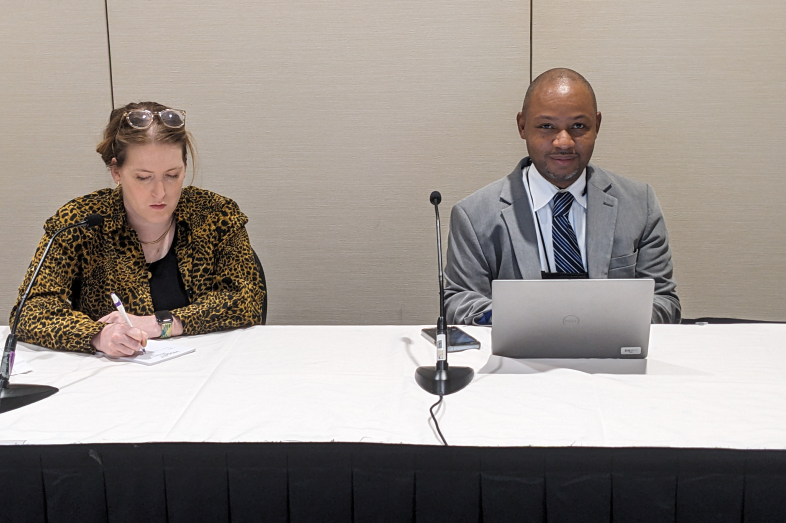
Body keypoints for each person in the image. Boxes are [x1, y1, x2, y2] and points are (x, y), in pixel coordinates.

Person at [10, 101, 266, 356]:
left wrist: (162, 323)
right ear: (116, 172)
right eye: (143, 177)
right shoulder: (79, 222)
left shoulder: (215, 214)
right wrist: (98, 336)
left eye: (172, 175)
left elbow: (248, 299)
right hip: (112, 378)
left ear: (184, 168)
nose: (160, 192)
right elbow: (30, 311)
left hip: (208, 368)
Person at [444, 68, 680, 325]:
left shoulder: (639, 204)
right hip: (520, 359)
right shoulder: (474, 215)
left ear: (597, 125)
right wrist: (532, 321)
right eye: (547, 126)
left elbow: (664, 301)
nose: (563, 142)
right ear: (522, 126)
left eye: (578, 126)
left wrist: (604, 323)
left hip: (612, 358)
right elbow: (460, 301)